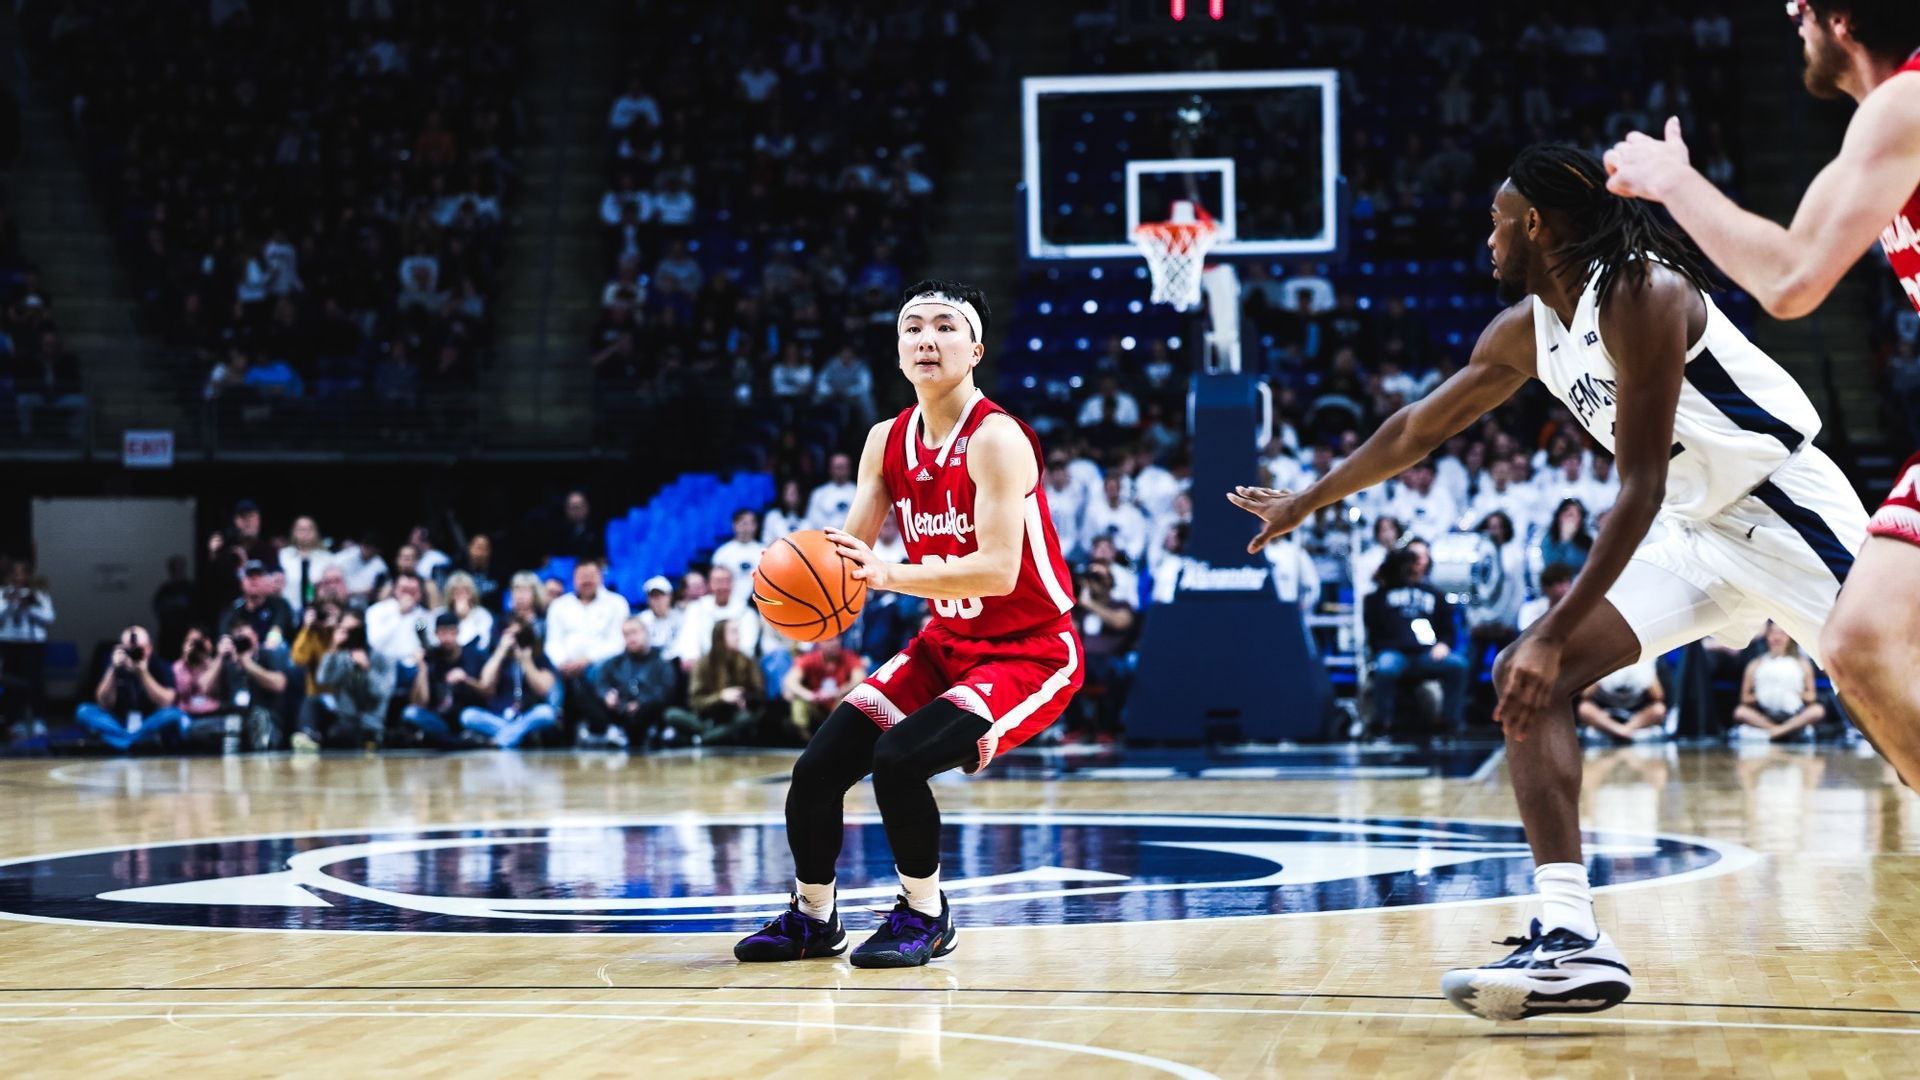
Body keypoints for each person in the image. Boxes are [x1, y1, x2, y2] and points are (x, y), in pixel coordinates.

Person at [1230, 145, 1868, 1021]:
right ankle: (1571, 938)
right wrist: (1310, 499)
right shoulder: (1529, 329)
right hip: (1696, 531)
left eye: (1496, 223)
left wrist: (1552, 623)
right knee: (1529, 677)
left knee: (1900, 709)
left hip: (1782, 511)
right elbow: (1418, 428)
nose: (1485, 240)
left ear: (1533, 224)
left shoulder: (1642, 295)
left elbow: (1636, 484)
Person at [1604, 1, 1920, 774]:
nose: (1790, 14)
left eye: (1803, 4)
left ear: (1842, 20)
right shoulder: (1891, 121)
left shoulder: (1905, 103)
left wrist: (1674, 183)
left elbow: (1790, 278)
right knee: (1860, 644)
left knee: (1864, 641)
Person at [736, 280, 1082, 969]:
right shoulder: (884, 440)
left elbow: (997, 572)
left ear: (975, 348)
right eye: (913, 328)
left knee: (899, 761)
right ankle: (814, 918)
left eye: (945, 327)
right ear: (898, 351)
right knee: (817, 770)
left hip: (1030, 652)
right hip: (944, 644)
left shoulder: (998, 438)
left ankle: (927, 915)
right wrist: (799, 594)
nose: (927, 338)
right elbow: (847, 562)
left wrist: (888, 575)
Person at [1363, 548, 1469, 738]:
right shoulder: (1380, 595)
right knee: (1385, 668)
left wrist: (1443, 644)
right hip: (1394, 652)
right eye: (1410, 562)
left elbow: (1448, 630)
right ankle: (1381, 724)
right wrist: (1384, 579)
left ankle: (1450, 722)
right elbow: (1373, 626)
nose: (1414, 566)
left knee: (1457, 665)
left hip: (1426, 654)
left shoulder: (1434, 594)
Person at [295, 615, 396, 750]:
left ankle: (367, 741)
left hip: (370, 723)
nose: (349, 635)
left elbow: (382, 693)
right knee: (312, 700)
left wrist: (367, 669)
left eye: (353, 630)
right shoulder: (343, 656)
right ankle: (307, 735)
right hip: (345, 718)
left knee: (344, 735)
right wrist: (332, 649)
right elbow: (323, 680)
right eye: (344, 630)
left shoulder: (381, 657)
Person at [76, 625, 183, 751]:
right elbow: (103, 703)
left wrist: (143, 673)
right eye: (129, 649)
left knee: (174, 715)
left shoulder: (160, 666)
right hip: (118, 722)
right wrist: (113, 670)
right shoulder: (114, 667)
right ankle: (134, 742)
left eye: (139, 649)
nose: (133, 653)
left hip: (148, 722)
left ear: (149, 648)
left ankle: (120, 742)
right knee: (83, 711)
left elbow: (167, 702)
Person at [462, 616, 560, 748]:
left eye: (519, 635)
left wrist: (526, 661)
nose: (515, 640)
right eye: (510, 635)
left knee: (546, 713)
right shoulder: (498, 656)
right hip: (500, 716)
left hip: (528, 715)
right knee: (468, 715)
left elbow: (544, 689)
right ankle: (516, 736)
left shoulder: (539, 657)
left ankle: (501, 740)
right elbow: (485, 681)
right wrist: (501, 650)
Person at [582, 616, 677, 747]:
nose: (631, 638)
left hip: (648, 710)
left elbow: (667, 689)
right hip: (621, 710)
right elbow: (600, 683)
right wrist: (607, 694)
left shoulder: (661, 660)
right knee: (583, 686)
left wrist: (641, 702)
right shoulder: (616, 662)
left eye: (635, 632)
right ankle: (612, 731)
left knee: (659, 705)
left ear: (645, 633)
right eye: (626, 634)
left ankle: (655, 732)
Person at [400, 613, 487, 747]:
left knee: (469, 716)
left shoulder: (473, 656)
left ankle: (452, 740)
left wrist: (466, 679)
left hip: (466, 719)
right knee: (410, 713)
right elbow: (419, 703)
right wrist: (422, 669)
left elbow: (488, 691)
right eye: (442, 633)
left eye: (451, 632)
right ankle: (455, 741)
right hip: (440, 721)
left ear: (458, 632)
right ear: (436, 633)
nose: (447, 638)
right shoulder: (432, 658)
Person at [1732, 622, 1828, 741]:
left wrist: (1794, 693)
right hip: (1765, 715)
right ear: (1767, 636)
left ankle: (1776, 732)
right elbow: (1744, 698)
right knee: (1740, 712)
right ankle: (1781, 731)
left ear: (1789, 637)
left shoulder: (1802, 663)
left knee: (1817, 711)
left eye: (1782, 633)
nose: (1777, 637)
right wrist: (1762, 695)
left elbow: (1812, 696)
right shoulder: (1755, 664)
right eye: (1773, 633)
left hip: (1794, 715)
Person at [0, 560, 54, 733]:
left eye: (22, 573)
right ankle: (14, 720)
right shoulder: (3, 593)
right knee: (11, 682)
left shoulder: (38, 594)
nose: (18, 577)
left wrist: (29, 606)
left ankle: (38, 719)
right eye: (15, 574)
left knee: (34, 682)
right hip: (10, 642)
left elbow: (49, 618)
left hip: (33, 643)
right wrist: (10, 603)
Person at [782, 634, 866, 739]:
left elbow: (860, 679)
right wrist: (810, 695)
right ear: (819, 643)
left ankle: (837, 737)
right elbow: (790, 680)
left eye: (837, 639)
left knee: (848, 699)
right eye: (829, 640)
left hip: (837, 704)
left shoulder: (849, 657)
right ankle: (804, 736)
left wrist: (839, 691)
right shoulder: (810, 658)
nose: (834, 643)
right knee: (797, 698)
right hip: (815, 705)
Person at [1576, 661, 1668, 743]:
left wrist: (1646, 674)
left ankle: (1624, 731)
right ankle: (1620, 732)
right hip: (1606, 713)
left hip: (1636, 714)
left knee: (1659, 709)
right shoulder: (1601, 657)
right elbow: (1585, 695)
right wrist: (1601, 674)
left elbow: (1658, 696)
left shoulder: (1645, 661)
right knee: (1584, 708)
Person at [1539, 499, 1594, 574]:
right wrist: (1564, 540)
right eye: (1570, 515)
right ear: (1560, 516)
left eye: (1578, 515)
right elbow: (1551, 565)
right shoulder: (1549, 540)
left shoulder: (1587, 541)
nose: (1574, 519)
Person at [711, 509, 766, 585]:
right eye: (743, 523)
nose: (746, 527)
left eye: (750, 523)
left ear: (756, 526)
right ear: (734, 525)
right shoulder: (722, 553)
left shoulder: (764, 552)